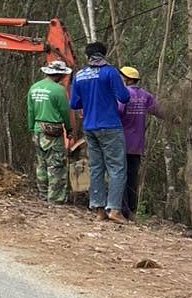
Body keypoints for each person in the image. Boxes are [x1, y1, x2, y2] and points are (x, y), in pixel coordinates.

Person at [69, 40, 132, 222]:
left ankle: (99, 210)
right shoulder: (110, 72)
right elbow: (124, 97)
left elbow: (74, 103)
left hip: (90, 127)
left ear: (87, 56)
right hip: (110, 126)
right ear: (104, 54)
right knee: (117, 168)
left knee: (96, 168)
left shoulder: (80, 75)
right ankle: (114, 209)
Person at [120, 65, 165, 220]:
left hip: (121, 142)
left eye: (123, 76)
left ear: (129, 79)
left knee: (119, 175)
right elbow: (161, 111)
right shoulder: (146, 96)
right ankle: (131, 209)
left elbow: (117, 112)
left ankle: (122, 209)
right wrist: (177, 119)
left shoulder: (123, 94)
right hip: (137, 144)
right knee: (132, 177)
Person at [26, 60, 72, 205]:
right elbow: (65, 112)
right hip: (53, 133)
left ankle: (43, 194)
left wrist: (32, 129)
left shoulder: (34, 88)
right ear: (58, 74)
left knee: (41, 164)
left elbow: (30, 110)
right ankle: (55, 198)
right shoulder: (58, 90)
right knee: (56, 165)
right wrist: (69, 129)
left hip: (38, 130)